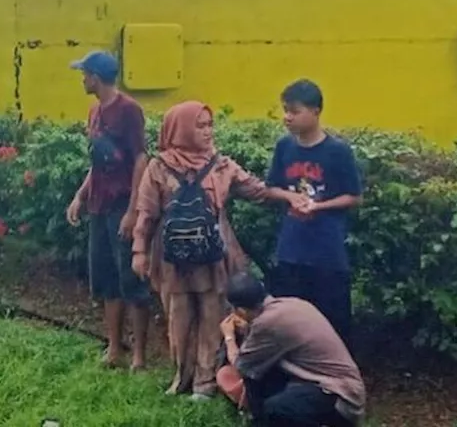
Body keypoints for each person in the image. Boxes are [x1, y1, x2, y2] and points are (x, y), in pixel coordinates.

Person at [131, 101, 310, 400]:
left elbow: (257, 190)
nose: (207, 132)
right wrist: (139, 251)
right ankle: (181, 378)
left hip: (215, 256)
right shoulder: (158, 167)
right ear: (181, 129)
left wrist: (289, 195)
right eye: (199, 126)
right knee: (178, 320)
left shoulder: (221, 165)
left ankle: (205, 382)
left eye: (209, 125)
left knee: (214, 319)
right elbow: (145, 213)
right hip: (174, 259)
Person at [64, 50, 152, 370]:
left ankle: (140, 356)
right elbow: (97, 163)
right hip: (99, 206)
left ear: (96, 78)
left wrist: (133, 211)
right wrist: (80, 196)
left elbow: (141, 159)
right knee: (105, 279)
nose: (83, 80)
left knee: (131, 280)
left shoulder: (129, 111)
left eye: (85, 75)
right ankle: (114, 349)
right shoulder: (94, 112)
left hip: (121, 205)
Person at [265, 79, 363, 343]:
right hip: (291, 249)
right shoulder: (284, 147)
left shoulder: (337, 151)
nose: (287, 117)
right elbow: (270, 188)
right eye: (285, 110)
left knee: (333, 322)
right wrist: (291, 196)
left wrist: (319, 206)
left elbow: (354, 196)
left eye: (295, 111)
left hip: (326, 251)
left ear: (316, 111)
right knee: (289, 321)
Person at [219, 273, 366, 427]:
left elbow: (242, 366)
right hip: (340, 388)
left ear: (241, 311)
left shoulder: (267, 323)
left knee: (277, 409)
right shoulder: (292, 304)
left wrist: (229, 336)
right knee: (259, 374)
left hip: (338, 396)